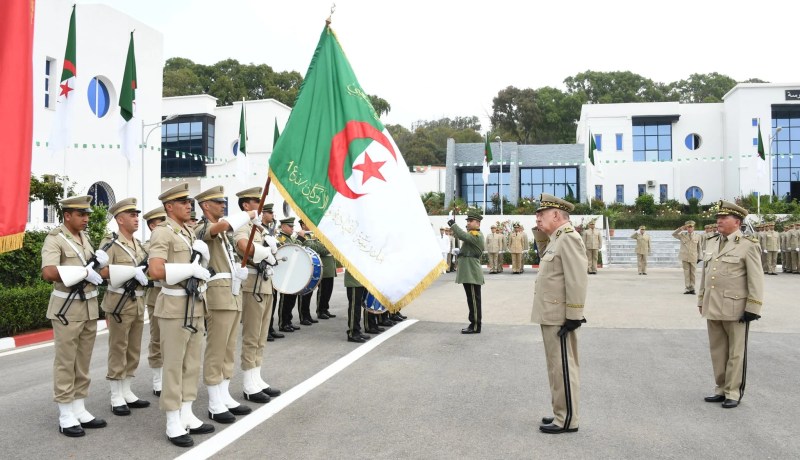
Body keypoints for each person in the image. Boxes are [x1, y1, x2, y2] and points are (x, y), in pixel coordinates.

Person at [147, 183, 214, 447]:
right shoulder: (162, 232)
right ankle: (173, 420)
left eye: (189, 202)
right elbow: (156, 271)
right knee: (174, 365)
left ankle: (187, 413)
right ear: (169, 207)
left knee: (192, 364)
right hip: (174, 306)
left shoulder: (187, 231)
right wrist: (190, 270)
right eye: (183, 202)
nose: (189, 205)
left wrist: (201, 265)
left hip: (195, 304)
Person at [41, 195, 108, 437]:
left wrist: (97, 266)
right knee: (66, 361)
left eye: (87, 214)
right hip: (67, 309)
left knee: (83, 361)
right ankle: (65, 413)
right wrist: (83, 272)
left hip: (88, 306)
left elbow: (91, 269)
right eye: (81, 214)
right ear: (67, 215)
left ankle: (79, 408)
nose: (86, 218)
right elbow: (48, 272)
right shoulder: (55, 239)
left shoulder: (84, 237)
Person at [194, 186, 257, 421]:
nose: (223, 205)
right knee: (216, 348)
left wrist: (237, 272)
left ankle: (224, 393)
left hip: (232, 293)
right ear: (206, 206)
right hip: (217, 296)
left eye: (223, 202)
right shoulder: (202, 228)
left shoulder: (223, 236)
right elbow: (221, 226)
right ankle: (214, 401)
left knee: (228, 348)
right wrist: (248, 215)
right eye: (218, 202)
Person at [530, 193, 587, 434]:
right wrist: (541, 230)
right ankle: (559, 412)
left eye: (541, 214)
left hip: (560, 316)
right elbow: (547, 257)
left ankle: (567, 420)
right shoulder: (557, 239)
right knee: (556, 368)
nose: (537, 219)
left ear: (555, 214)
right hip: (550, 313)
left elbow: (577, 279)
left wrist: (574, 316)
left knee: (563, 367)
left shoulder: (569, 238)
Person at [698, 200, 764, 409]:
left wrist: (753, 307)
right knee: (717, 351)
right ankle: (720, 388)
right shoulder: (711, 242)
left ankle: (733, 392)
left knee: (736, 352)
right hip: (713, 305)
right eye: (718, 217)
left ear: (737, 222)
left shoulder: (748, 245)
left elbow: (756, 279)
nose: (719, 221)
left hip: (736, 308)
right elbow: (705, 275)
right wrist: (701, 299)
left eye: (723, 218)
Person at [99, 198, 150, 416]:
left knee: (134, 349)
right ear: (120, 219)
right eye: (132, 215)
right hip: (119, 302)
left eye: (137, 215)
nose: (137, 219)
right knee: (118, 348)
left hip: (137, 302)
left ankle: (127, 390)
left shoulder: (138, 244)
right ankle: (115, 395)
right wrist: (130, 272)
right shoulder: (110, 243)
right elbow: (101, 272)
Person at [233, 188, 282, 404]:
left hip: (265, 283)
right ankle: (248, 384)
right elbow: (243, 246)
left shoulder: (259, 227)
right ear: (246, 205)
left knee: (261, 336)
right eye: (256, 201)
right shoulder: (243, 225)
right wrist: (264, 251)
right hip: (252, 284)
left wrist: (271, 246)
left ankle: (256, 377)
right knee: (252, 335)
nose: (260, 205)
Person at [447, 210, 485, 334]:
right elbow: (465, 241)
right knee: (471, 299)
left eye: (470, 221)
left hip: (472, 272)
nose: (468, 223)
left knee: (474, 300)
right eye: (467, 221)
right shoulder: (472, 234)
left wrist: (452, 224)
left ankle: (475, 326)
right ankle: (473, 323)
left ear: (478, 223)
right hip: (468, 272)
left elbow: (462, 235)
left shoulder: (476, 235)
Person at [142, 206, 166, 397]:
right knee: (157, 338)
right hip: (157, 295)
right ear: (152, 226)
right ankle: (158, 377)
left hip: (177, 295)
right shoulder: (147, 247)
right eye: (161, 222)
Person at [276, 217, 305, 332]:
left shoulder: (290, 238)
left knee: (291, 299)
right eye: (290, 226)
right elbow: (293, 249)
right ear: (283, 226)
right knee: (286, 299)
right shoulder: (280, 238)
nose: (292, 228)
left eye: (293, 226)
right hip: (285, 273)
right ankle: (283, 323)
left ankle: (288, 321)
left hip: (292, 272)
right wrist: (300, 238)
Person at [298, 219, 325, 325]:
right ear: (303, 225)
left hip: (312, 268)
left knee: (309, 293)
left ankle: (307, 315)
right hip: (304, 268)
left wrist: (314, 245)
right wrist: (313, 245)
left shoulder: (311, 236)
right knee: (303, 294)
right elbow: (311, 247)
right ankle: (303, 316)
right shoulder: (301, 236)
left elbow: (319, 248)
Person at [673, 220, 702, 294]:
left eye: (691, 227)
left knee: (693, 273)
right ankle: (687, 288)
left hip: (693, 257)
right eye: (688, 227)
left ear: (693, 227)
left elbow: (699, 247)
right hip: (684, 256)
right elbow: (674, 234)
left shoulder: (698, 236)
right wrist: (680, 229)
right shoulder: (682, 235)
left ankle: (692, 288)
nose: (690, 228)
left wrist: (700, 257)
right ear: (686, 228)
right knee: (686, 273)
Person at [344, 270, 371, 343]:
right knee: (354, 307)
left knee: (357, 308)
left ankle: (357, 330)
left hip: (361, 281)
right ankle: (353, 333)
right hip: (353, 281)